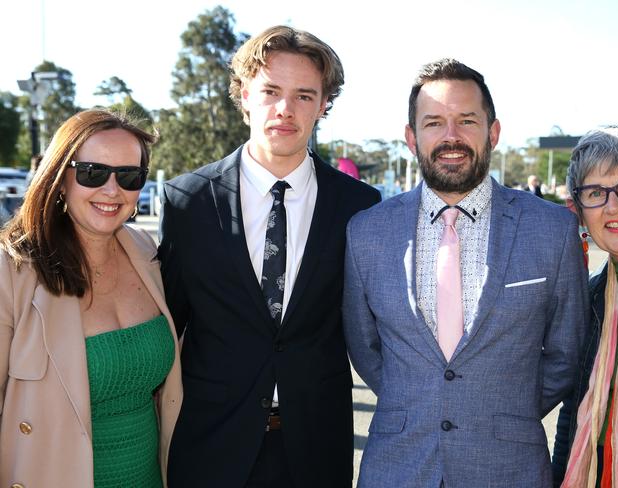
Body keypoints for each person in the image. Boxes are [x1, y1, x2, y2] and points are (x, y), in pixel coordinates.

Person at [342, 58, 589, 487]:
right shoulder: (366, 231)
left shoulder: (552, 229)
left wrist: (502, 409)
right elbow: (364, 347)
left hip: (509, 466)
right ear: (411, 137)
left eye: (467, 121)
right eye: (434, 122)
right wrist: (420, 399)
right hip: (397, 467)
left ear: (492, 132)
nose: (451, 136)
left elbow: (567, 351)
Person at [159, 25, 380, 488]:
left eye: (304, 95)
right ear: (243, 96)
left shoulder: (359, 206)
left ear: (323, 105)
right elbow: (168, 323)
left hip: (316, 450)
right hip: (211, 447)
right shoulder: (188, 201)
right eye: (270, 91)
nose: (285, 109)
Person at [0, 109, 182, 488]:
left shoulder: (144, 249)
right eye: (92, 173)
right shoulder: (12, 270)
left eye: (130, 177)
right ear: (60, 178)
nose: (112, 190)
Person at [552, 127, 618, 488]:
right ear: (579, 211)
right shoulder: (588, 296)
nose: (613, 206)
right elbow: (572, 417)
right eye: (595, 193)